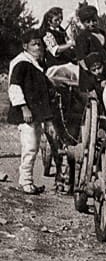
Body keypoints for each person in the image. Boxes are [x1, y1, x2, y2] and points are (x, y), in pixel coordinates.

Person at [6, 30, 53, 194]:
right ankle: (25, 182)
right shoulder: (21, 63)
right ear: (25, 46)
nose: (38, 47)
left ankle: (28, 180)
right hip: (26, 112)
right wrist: (24, 107)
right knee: (30, 147)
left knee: (33, 147)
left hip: (35, 112)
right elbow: (14, 87)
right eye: (34, 44)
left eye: (40, 44)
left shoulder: (36, 63)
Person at [74, 5, 106, 72]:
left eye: (94, 20)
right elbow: (82, 60)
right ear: (83, 23)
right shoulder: (82, 38)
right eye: (88, 22)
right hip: (93, 73)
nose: (91, 24)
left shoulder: (102, 33)